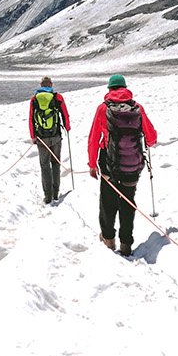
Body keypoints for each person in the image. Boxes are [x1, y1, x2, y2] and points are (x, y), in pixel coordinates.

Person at [87, 74, 156, 255]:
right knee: (128, 202)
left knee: (107, 201)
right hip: (131, 164)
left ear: (110, 89)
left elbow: (94, 138)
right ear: (125, 88)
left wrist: (92, 164)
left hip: (108, 162)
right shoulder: (137, 108)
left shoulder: (103, 108)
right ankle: (126, 244)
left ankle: (108, 239)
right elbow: (152, 137)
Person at [27, 77, 71, 204]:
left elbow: (31, 119)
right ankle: (56, 194)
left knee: (45, 166)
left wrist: (33, 136)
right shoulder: (57, 97)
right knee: (56, 163)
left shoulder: (34, 99)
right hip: (56, 136)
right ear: (51, 85)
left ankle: (48, 196)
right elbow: (65, 114)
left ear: (40, 85)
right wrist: (67, 128)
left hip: (41, 138)